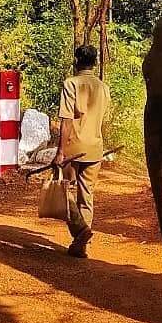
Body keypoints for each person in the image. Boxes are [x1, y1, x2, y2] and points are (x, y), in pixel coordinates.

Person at [55, 44, 110, 258]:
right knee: (87, 195)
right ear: (94, 63)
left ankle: (80, 231)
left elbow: (66, 120)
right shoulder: (103, 87)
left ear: (76, 61)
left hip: (73, 148)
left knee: (64, 191)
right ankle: (81, 244)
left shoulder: (71, 84)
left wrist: (60, 151)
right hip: (95, 147)